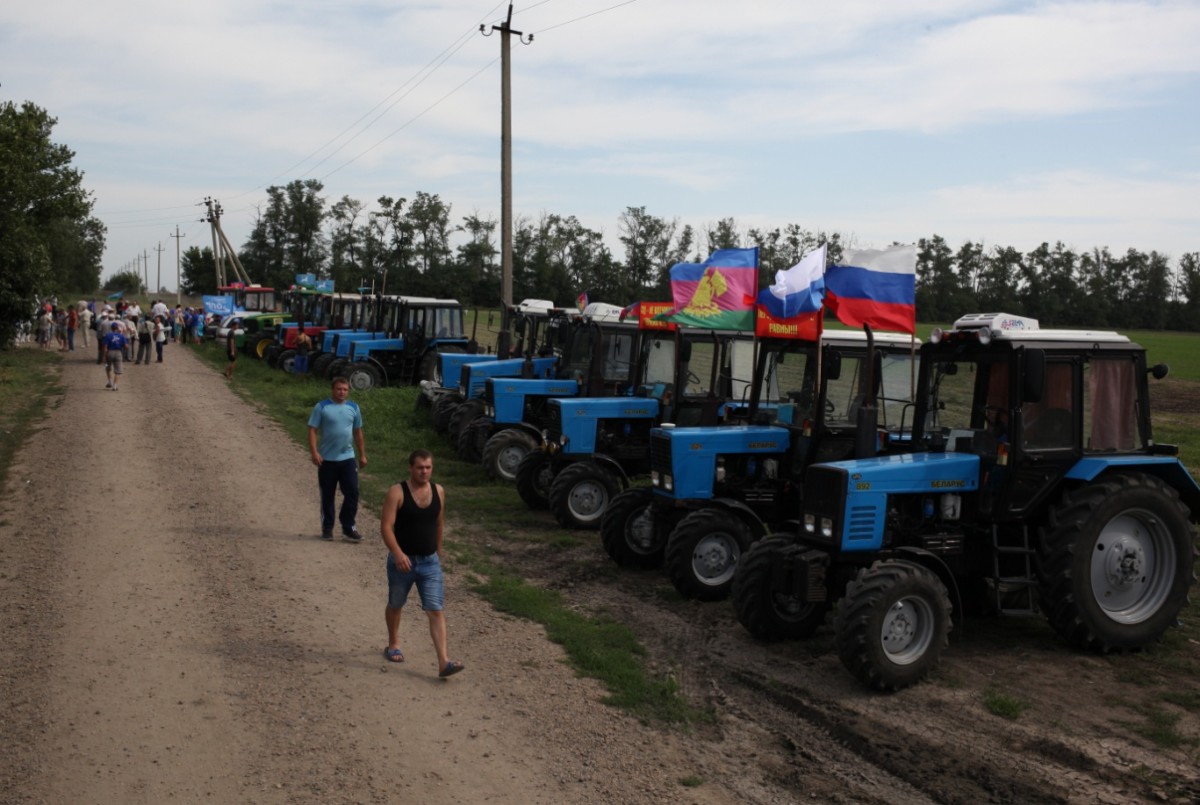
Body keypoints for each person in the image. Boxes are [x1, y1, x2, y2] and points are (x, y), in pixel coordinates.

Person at [380, 449, 463, 678]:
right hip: (402, 562)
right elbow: (386, 527)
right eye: (419, 467)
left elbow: (439, 523)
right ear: (410, 468)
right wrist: (397, 554)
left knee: (435, 609)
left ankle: (443, 662)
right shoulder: (397, 492)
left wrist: (438, 552)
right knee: (396, 604)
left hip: (429, 563)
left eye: (428, 467)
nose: (424, 471)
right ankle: (393, 643)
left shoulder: (439, 491)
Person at [307, 377, 367, 541]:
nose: (342, 392)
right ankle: (327, 528)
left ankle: (348, 527)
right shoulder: (322, 407)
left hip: (347, 458)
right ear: (332, 390)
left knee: (353, 492)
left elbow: (357, 432)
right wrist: (314, 452)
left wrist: (362, 454)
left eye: (345, 389)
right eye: (339, 389)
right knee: (327, 495)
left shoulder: (353, 408)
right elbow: (312, 430)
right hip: (327, 460)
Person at [101, 321, 127, 391]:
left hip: (109, 352)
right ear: (117, 328)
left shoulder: (108, 335)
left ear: (111, 328)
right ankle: (115, 386)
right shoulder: (121, 336)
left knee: (107, 367)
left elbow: (105, 347)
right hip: (118, 353)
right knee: (118, 370)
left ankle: (109, 381)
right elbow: (126, 346)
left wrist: (104, 356)